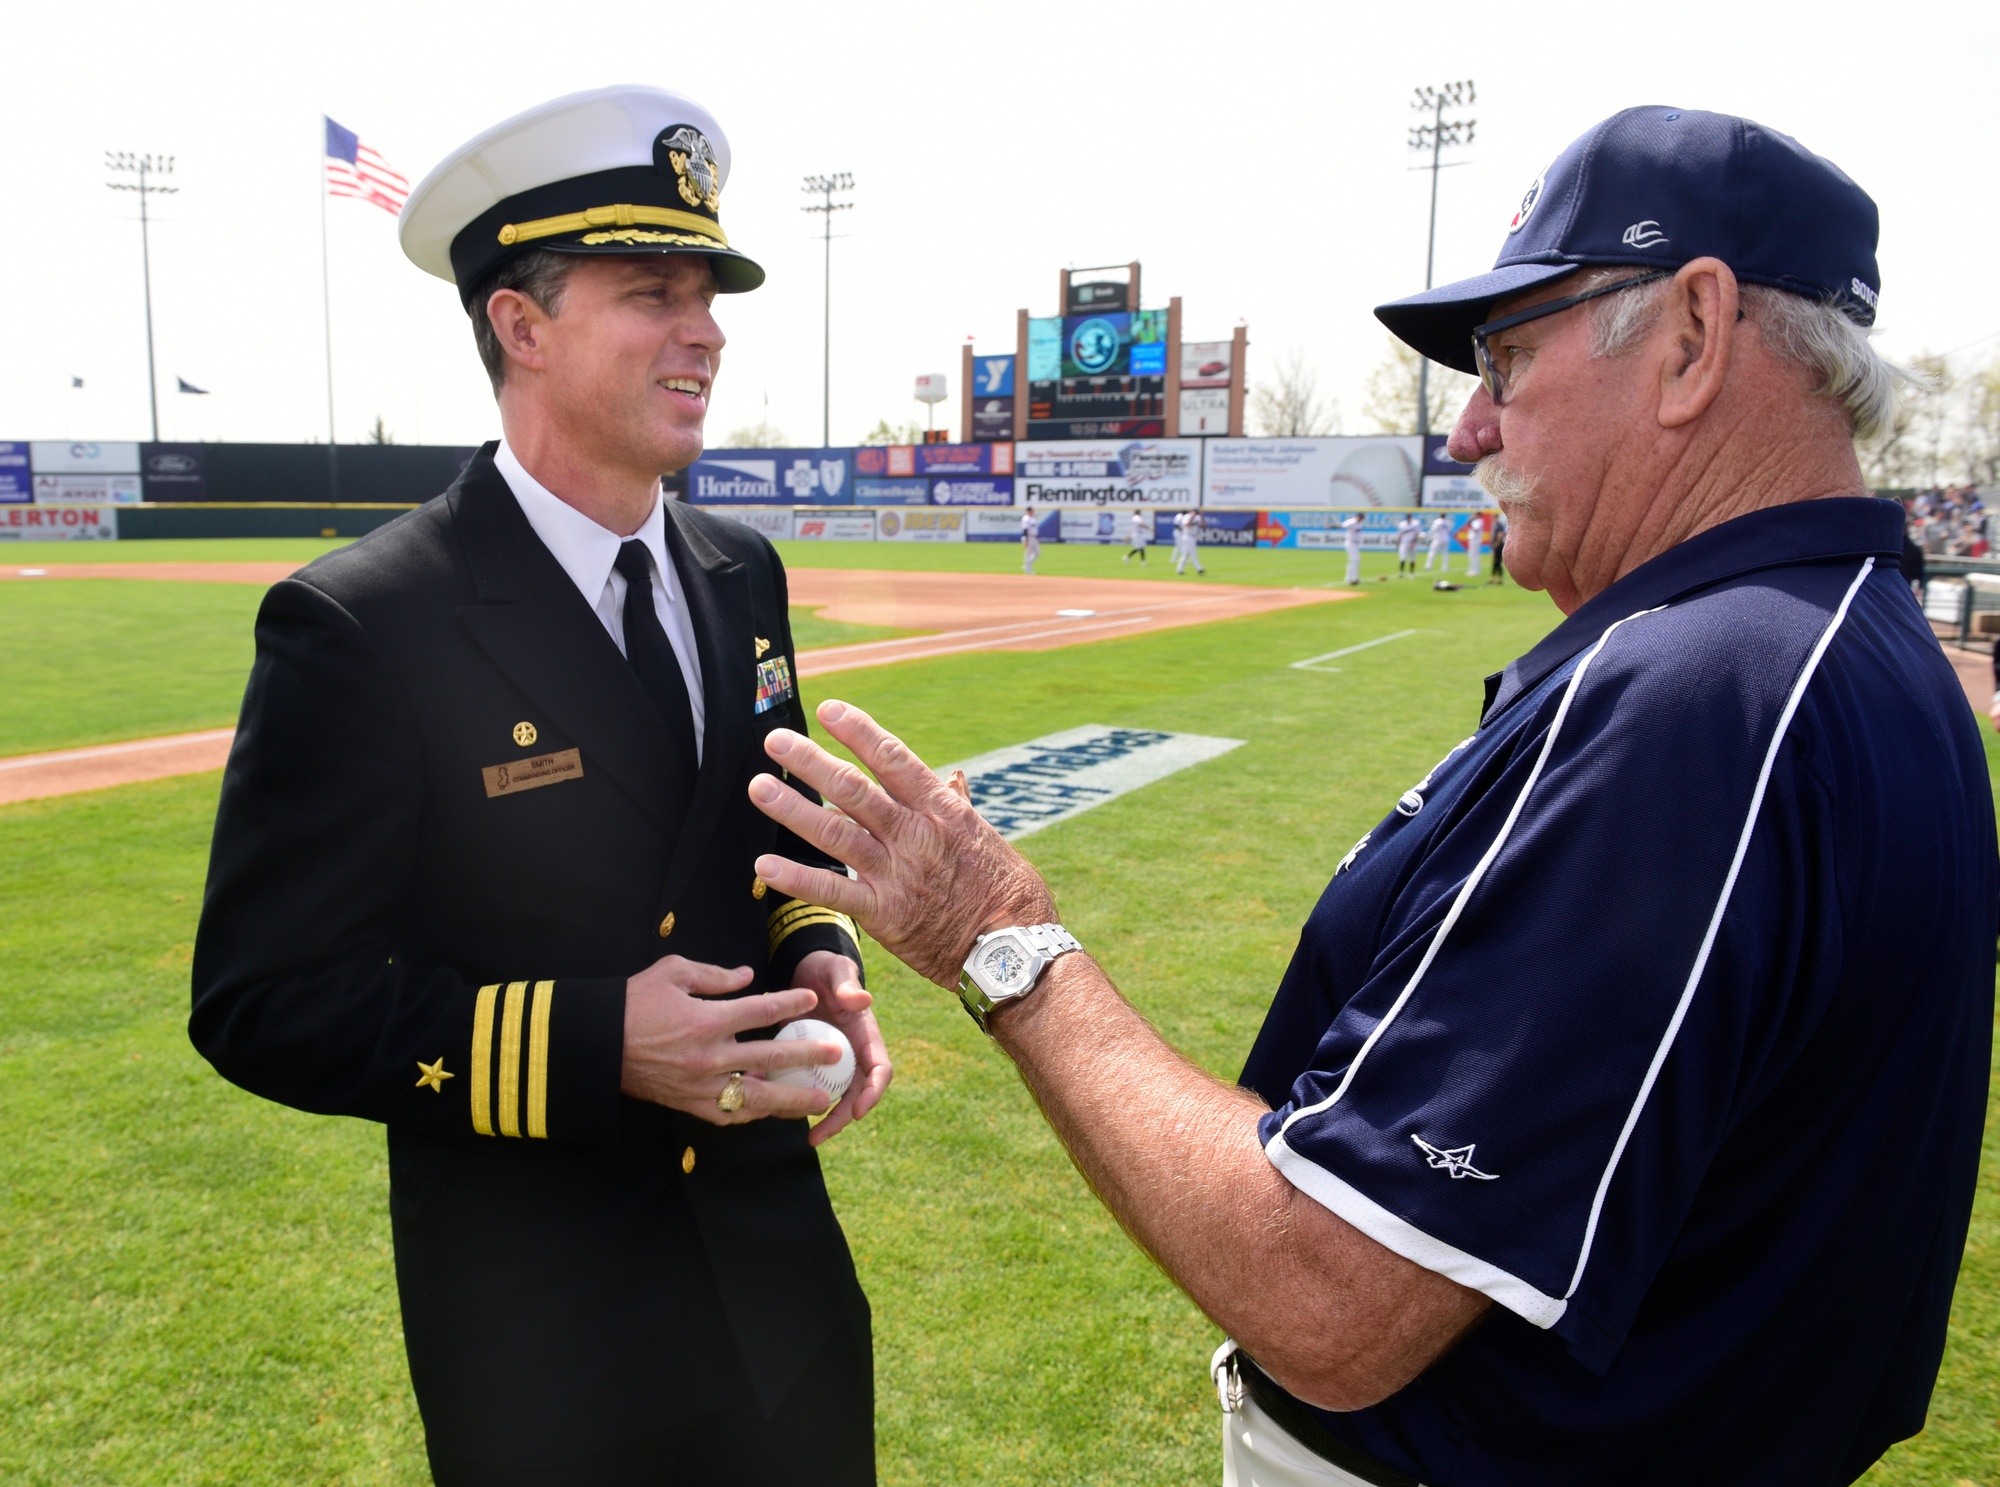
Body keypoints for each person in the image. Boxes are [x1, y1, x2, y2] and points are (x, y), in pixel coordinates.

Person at [742, 106, 1994, 1485]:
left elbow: (1332, 1300)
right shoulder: (1859, 646)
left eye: (1509, 357)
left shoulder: (1707, 691)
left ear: (1694, 337)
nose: (1468, 426)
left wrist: (1002, 931)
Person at [189, 87, 887, 1486]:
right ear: (521, 322)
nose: (707, 330)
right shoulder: (365, 619)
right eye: (653, 292)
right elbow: (262, 998)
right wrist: (595, 1041)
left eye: (710, 293)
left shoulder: (740, 570)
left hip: (781, 1286)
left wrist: (822, 957)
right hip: (550, 1345)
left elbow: (760, 840)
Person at [1175, 508, 1208, 576]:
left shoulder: (1197, 517)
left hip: (1193, 537)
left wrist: (1202, 517)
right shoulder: (1187, 516)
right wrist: (1192, 517)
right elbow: (1187, 524)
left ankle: (1179, 569)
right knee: (1193, 553)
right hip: (1187, 536)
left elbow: (1203, 525)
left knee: (1186, 555)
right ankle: (1199, 569)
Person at [1341, 511, 1364, 585]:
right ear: (1357, 516)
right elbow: (1342, 525)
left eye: (1362, 518)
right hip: (1350, 543)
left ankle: (1353, 577)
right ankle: (1351, 578)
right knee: (1354, 559)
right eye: (1360, 517)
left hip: (1355, 544)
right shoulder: (1352, 522)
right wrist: (1332, 526)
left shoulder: (1359, 523)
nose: (1361, 519)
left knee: (1355, 560)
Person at [1462, 509, 1485, 577]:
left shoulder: (1479, 521)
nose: (1474, 515)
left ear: (1478, 515)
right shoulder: (1475, 521)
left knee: (1475, 555)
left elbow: (1476, 530)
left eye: (1475, 514)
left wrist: (1469, 525)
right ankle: (1472, 569)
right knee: (1471, 555)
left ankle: (1476, 571)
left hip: (1475, 540)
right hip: (1472, 539)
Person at [1488, 509, 1508, 585]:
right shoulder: (1496, 525)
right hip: (1497, 546)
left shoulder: (1498, 525)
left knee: (1497, 562)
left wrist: (1496, 543)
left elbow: (1500, 535)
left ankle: (1497, 579)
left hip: (1499, 546)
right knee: (1496, 562)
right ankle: (1494, 579)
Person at [1022, 504, 1041, 574]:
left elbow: (1035, 530)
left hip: (1034, 537)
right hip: (1029, 537)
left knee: (1037, 553)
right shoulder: (1026, 518)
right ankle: (1028, 569)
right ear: (1028, 511)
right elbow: (1025, 530)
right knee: (1028, 554)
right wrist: (1025, 540)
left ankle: (1027, 565)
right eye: (1031, 510)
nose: (1032, 511)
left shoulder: (1032, 518)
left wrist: (1037, 538)